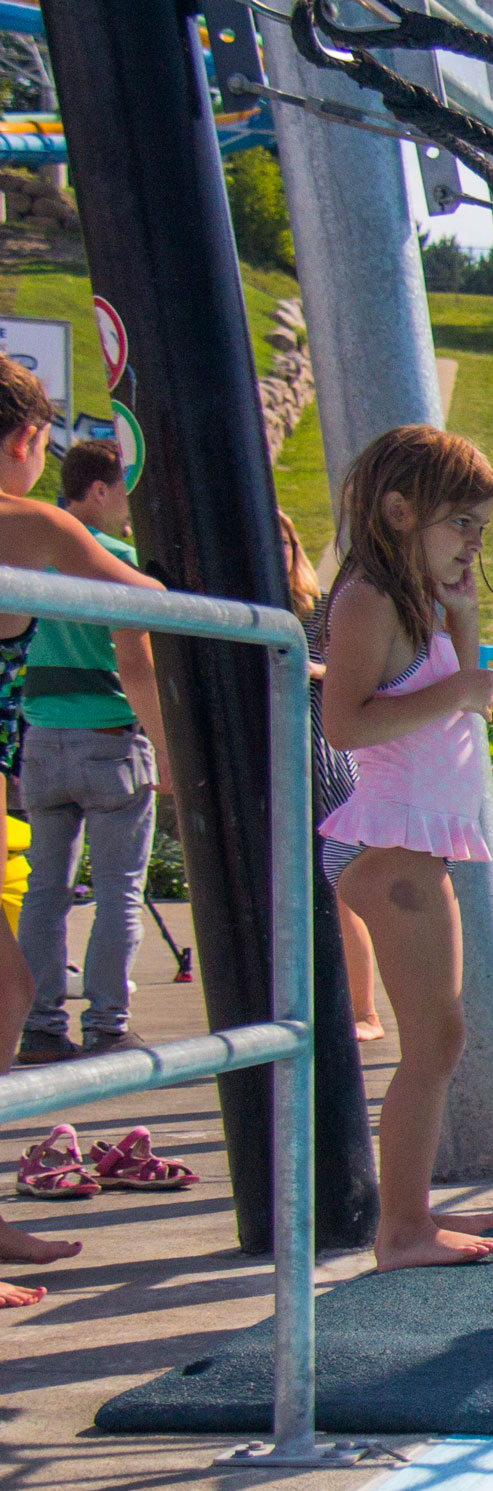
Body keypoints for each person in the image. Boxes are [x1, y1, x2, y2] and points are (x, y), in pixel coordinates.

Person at [314, 426, 493, 1270]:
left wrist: (463, 627)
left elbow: (467, 708)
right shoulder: (366, 601)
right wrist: (458, 687)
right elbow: (344, 722)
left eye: (481, 527)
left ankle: (409, 1221)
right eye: (461, 523)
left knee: (442, 1035)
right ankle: (400, 1229)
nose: (475, 542)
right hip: (383, 841)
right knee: (432, 1037)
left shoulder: (419, 606)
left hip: (414, 844)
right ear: (400, 512)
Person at [0, 357, 166, 1304]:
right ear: (29, 440)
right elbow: (143, 603)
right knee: (12, 981)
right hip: (84, 745)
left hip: (26, 760)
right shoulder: (31, 519)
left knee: (14, 983)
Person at [16, 437, 169, 1064]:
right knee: (118, 892)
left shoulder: (24, 560)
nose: (129, 509)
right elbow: (137, 657)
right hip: (111, 740)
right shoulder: (116, 561)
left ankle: (42, 1027)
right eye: (124, 493)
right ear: (99, 490)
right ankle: (108, 1026)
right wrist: (168, 753)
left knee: (44, 895)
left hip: (40, 740)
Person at [283, 509, 386, 1042]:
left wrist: (310, 668)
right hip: (278, 750)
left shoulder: (318, 606)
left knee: (343, 882)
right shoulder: (248, 607)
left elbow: (352, 667)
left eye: (284, 540)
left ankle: (365, 1010)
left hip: (323, 747)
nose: (275, 551)